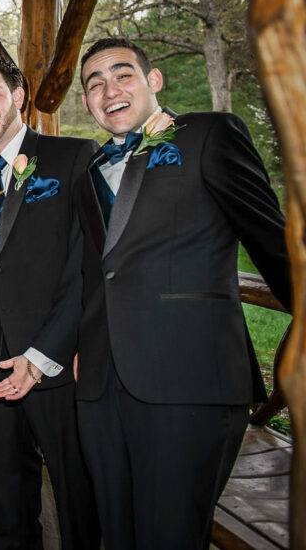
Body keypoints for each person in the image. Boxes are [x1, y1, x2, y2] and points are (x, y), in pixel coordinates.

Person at [73, 37, 290, 549]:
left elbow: (273, 242)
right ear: (86, 102)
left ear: (153, 81)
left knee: (169, 534)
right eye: (95, 84)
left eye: (122, 75)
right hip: (103, 383)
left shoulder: (209, 135)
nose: (109, 91)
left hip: (189, 377)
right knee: (117, 532)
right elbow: (94, 271)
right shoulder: (89, 170)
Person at [0, 58, 100, 550]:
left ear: (18, 96)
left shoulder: (73, 158)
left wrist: (46, 351)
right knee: (5, 488)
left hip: (58, 359)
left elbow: (89, 268)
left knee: (77, 488)